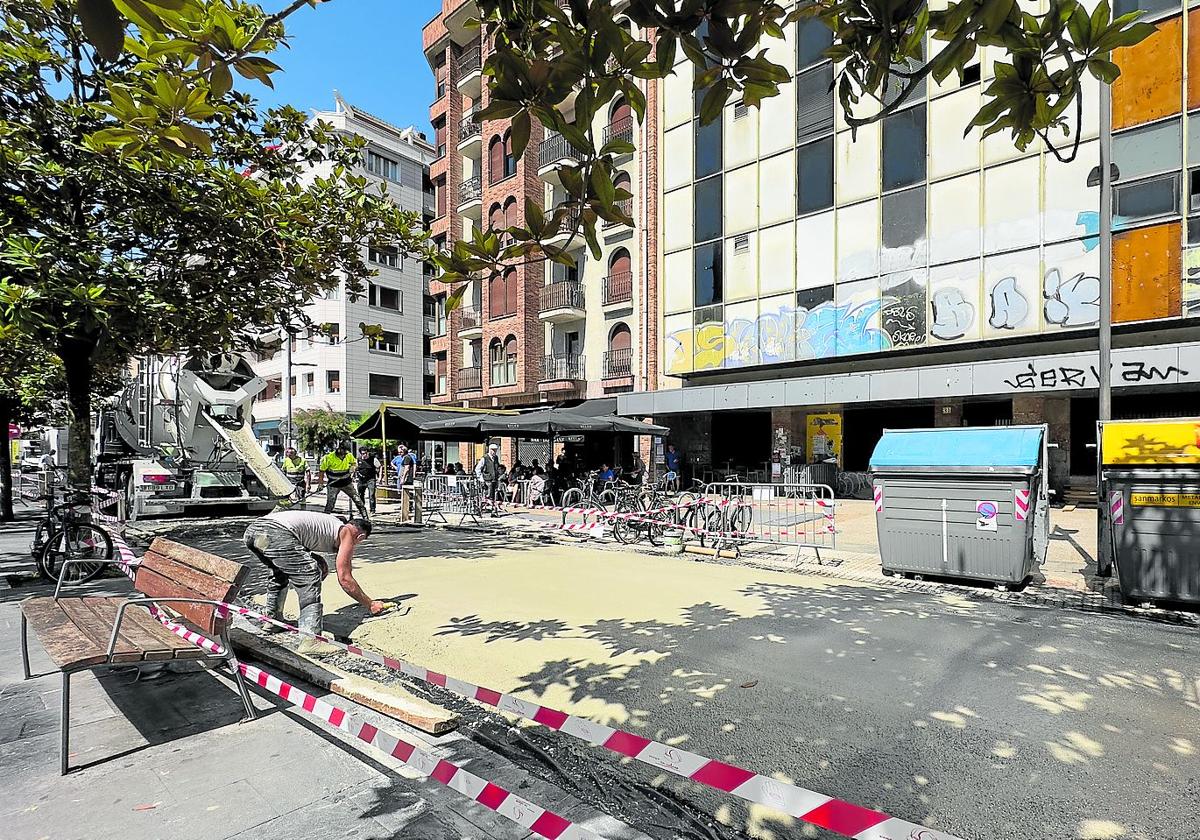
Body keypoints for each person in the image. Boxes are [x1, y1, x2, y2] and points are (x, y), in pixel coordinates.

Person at [243, 510, 390, 643]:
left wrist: (316, 558)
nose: (355, 545)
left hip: (254, 531)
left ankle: (273, 621)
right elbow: (345, 578)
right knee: (309, 574)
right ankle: (311, 640)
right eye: (359, 542)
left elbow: (298, 541)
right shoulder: (347, 533)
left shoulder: (329, 525)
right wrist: (370, 604)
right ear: (360, 536)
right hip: (275, 532)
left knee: (279, 573)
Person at [319, 441, 368, 517]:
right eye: (343, 453)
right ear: (338, 451)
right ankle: (326, 518)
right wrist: (320, 484)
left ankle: (365, 517)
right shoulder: (328, 458)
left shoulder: (348, 455)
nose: (344, 455)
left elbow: (354, 463)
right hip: (333, 484)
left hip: (346, 483)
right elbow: (322, 471)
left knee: (357, 499)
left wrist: (353, 467)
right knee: (330, 503)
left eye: (345, 453)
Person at [475, 443, 501, 511]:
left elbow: (496, 467)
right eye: (493, 450)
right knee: (487, 496)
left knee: (493, 496)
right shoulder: (485, 458)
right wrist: (481, 479)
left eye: (495, 450)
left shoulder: (496, 458)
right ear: (489, 450)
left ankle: (493, 510)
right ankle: (480, 509)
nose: (494, 451)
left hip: (494, 479)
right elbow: (478, 468)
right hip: (487, 480)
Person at [355, 448, 380, 514]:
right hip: (361, 480)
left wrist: (379, 477)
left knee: (371, 495)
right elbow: (355, 468)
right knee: (360, 495)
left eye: (366, 453)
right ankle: (361, 510)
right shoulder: (358, 460)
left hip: (371, 479)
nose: (365, 455)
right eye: (363, 453)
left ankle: (372, 510)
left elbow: (379, 467)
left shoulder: (373, 459)